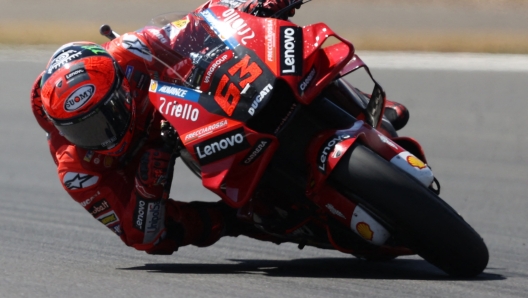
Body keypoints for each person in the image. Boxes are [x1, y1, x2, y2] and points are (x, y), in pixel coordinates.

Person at [30, 0, 409, 255]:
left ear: (120, 86)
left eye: (103, 116)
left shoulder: (129, 52)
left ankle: (352, 100)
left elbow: (203, 20)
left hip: (196, 107)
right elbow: (141, 235)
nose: (101, 134)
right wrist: (149, 184)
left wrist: (257, 6)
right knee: (250, 218)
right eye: (84, 130)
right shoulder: (77, 169)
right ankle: (242, 218)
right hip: (161, 156)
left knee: (285, 53)